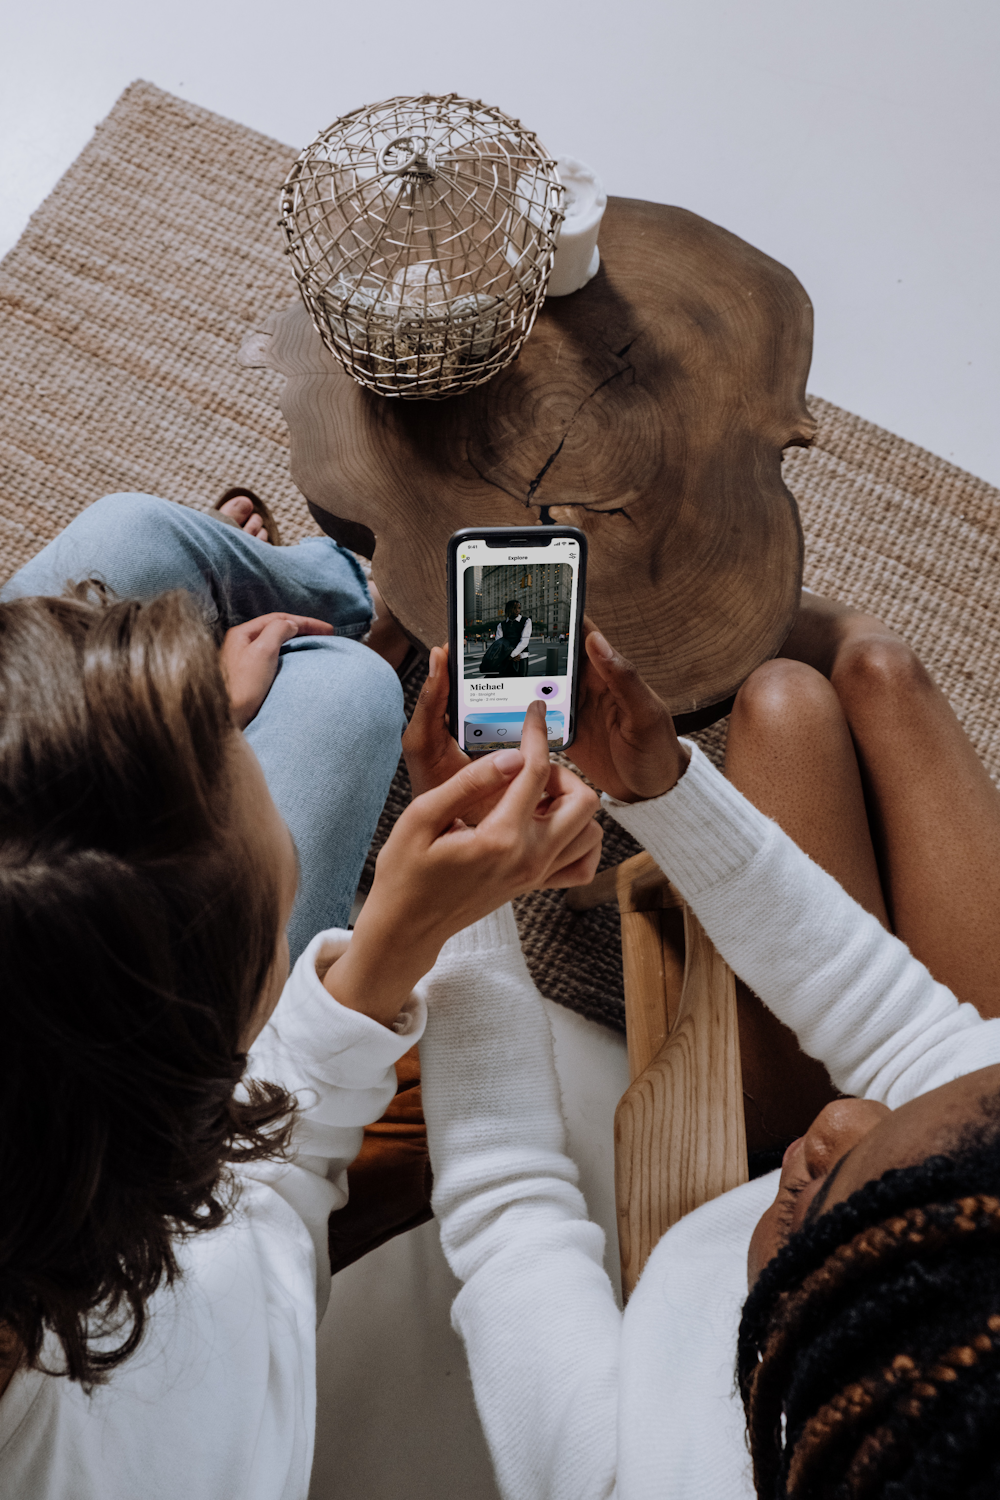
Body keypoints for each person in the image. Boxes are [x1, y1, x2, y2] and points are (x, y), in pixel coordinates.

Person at [0, 506, 602, 1497]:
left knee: (137, 545)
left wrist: (148, 747)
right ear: (212, 1078)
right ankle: (359, 609)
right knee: (346, 689)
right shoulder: (164, 1432)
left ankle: (355, 592)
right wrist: (411, 940)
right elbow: (263, 1199)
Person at [400, 596, 1000, 1500]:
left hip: (745, 1147)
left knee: (785, 703)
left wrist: (461, 898)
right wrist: (666, 792)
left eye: (820, 1223)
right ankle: (833, 646)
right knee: (865, 678)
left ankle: (806, 642)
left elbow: (504, 1200)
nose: (837, 1123)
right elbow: (901, 1026)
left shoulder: (630, 1478)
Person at [495, 599, 532, 677]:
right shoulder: (501, 625)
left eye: (519, 608)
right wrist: (509, 656)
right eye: (514, 608)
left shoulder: (526, 621)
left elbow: (524, 641)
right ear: (508, 609)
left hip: (521, 657)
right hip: (506, 658)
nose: (517, 610)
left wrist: (512, 655)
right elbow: (499, 643)